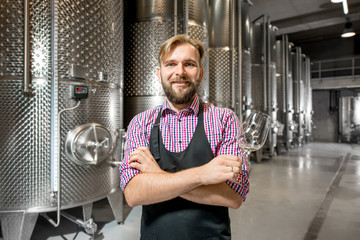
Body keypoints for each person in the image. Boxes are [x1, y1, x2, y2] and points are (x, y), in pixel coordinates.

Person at [119, 34, 250, 240]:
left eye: (189, 64)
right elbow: (134, 194)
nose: (180, 72)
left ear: (200, 73)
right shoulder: (140, 123)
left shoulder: (224, 120)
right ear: (159, 73)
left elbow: (234, 197)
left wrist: (157, 175)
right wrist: (202, 175)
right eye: (171, 64)